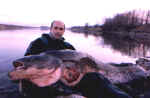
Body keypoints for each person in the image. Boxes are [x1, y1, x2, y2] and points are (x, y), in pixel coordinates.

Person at [21, 20, 76, 97]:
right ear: (50, 29)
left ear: (64, 31)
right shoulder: (37, 43)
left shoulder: (69, 47)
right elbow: (26, 63)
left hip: (62, 78)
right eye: (55, 28)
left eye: (61, 29)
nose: (58, 31)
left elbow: (75, 66)